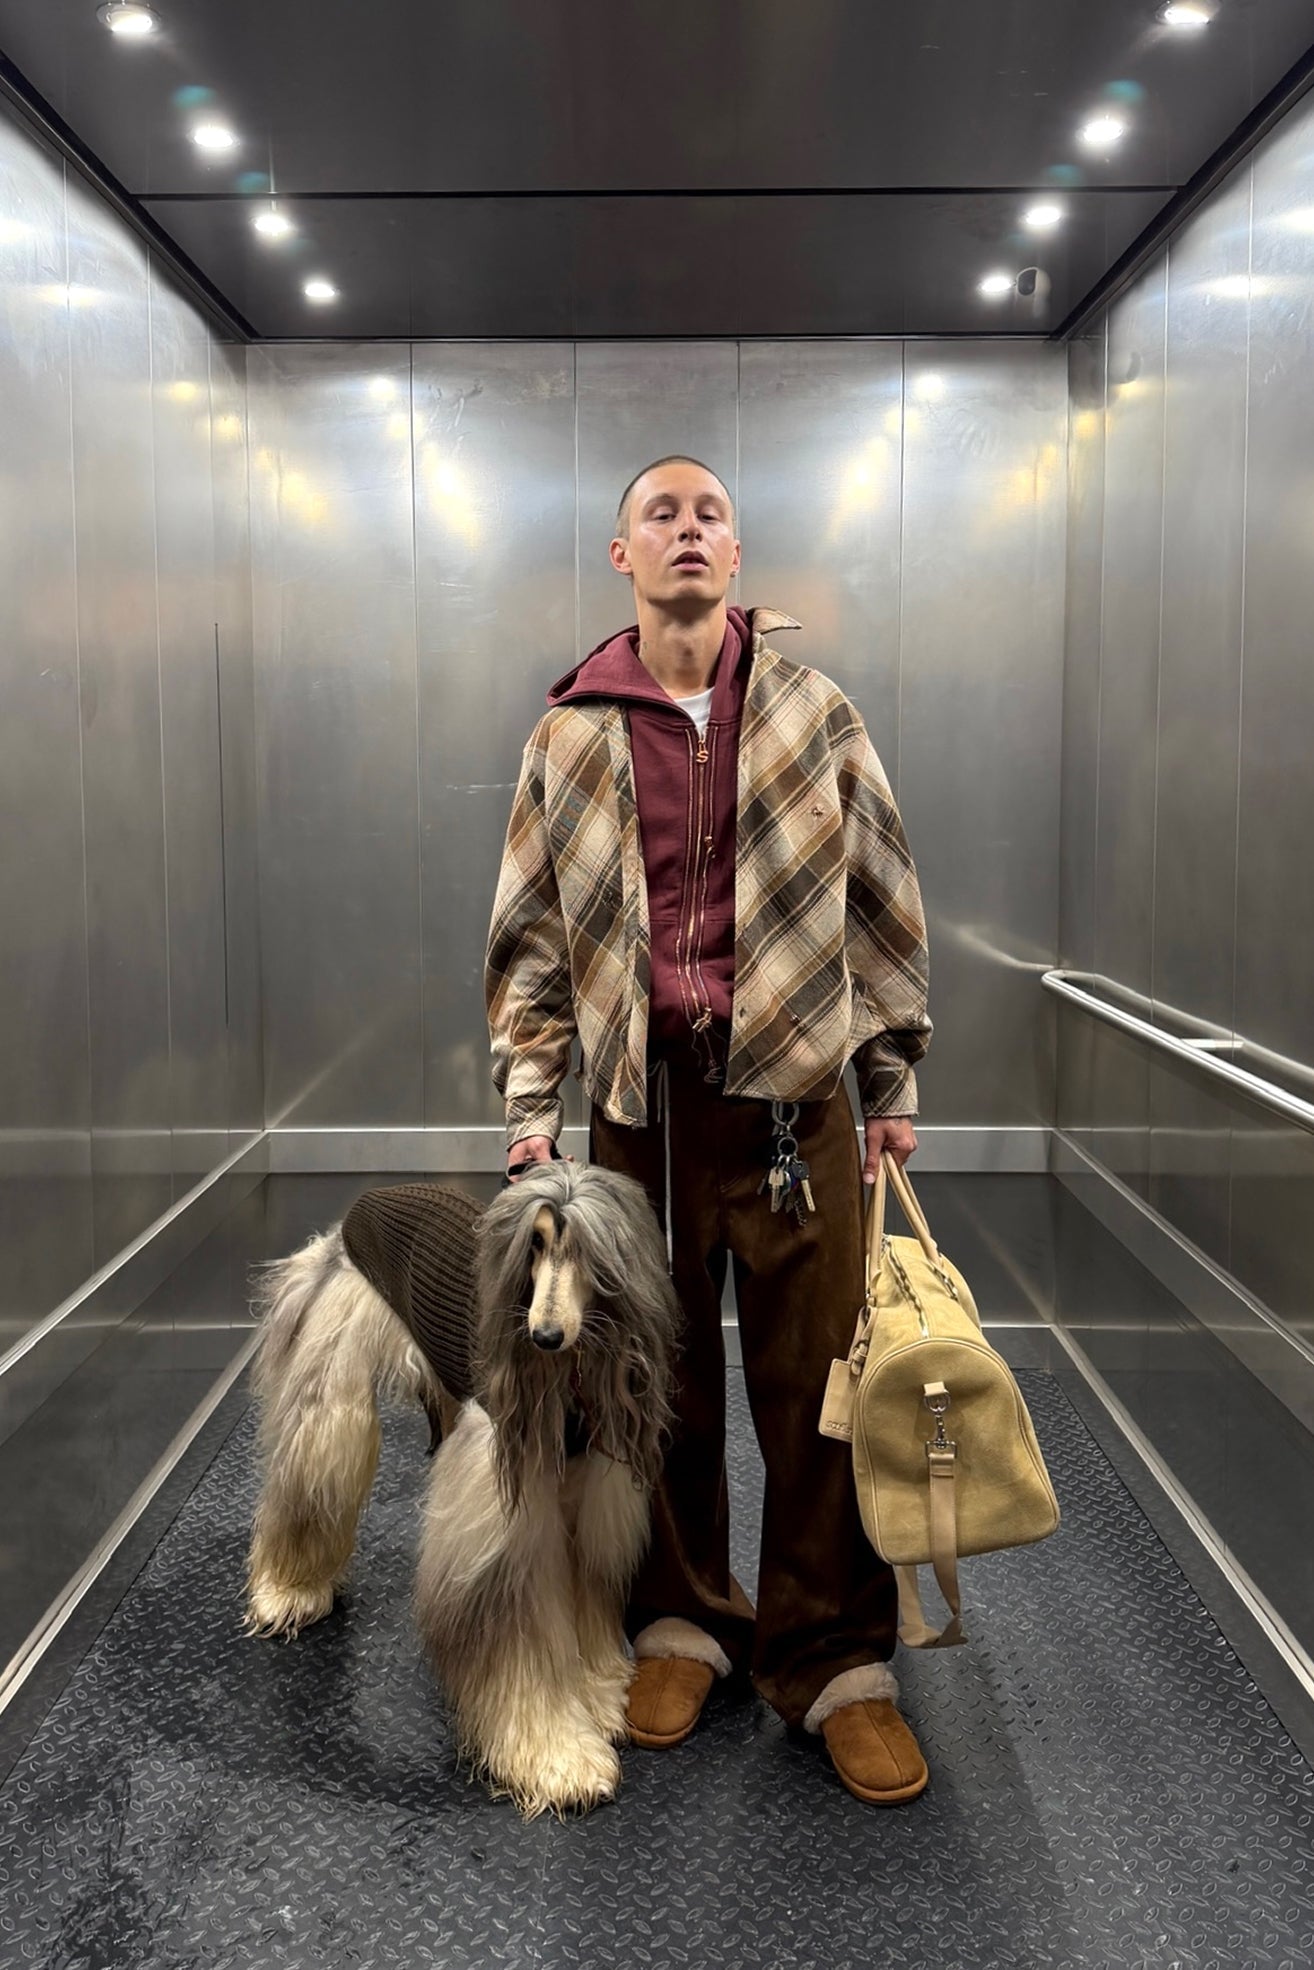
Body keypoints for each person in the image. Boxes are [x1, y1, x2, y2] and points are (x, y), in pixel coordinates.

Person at [484, 455, 933, 1805]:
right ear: (621, 554)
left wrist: (889, 1081)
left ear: (737, 556)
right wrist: (532, 1107)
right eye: (661, 513)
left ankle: (833, 1657)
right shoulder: (569, 736)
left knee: (821, 1388)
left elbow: (881, 897)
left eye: (711, 513)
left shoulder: (813, 710)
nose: (688, 528)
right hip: (646, 1116)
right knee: (651, 1380)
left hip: (795, 1107)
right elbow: (531, 935)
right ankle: (683, 1619)